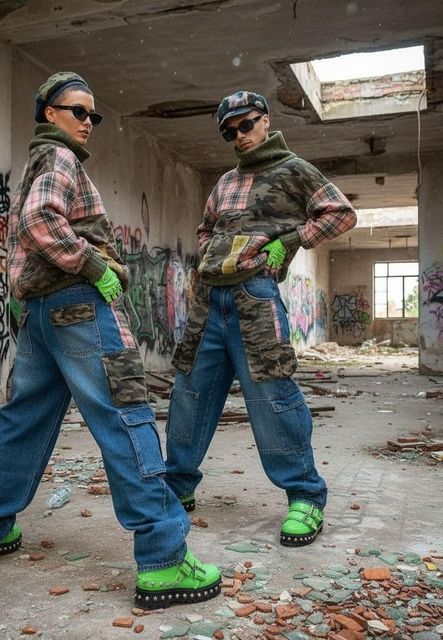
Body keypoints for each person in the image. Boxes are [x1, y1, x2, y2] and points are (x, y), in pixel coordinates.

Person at [0, 72, 221, 609]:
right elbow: (39, 219)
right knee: (125, 416)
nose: (87, 122)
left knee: (23, 419)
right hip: (79, 307)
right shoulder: (60, 159)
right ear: (48, 113)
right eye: (77, 111)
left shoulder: (37, 162)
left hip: (42, 312)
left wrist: (31, 291)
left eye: (93, 115)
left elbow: (25, 231)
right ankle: (164, 558)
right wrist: (93, 263)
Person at [165, 91, 357, 547]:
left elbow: (342, 214)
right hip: (209, 300)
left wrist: (291, 240)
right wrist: (212, 255)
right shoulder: (226, 181)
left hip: (255, 297)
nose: (240, 135)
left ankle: (305, 497)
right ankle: (177, 486)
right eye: (229, 131)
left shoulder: (295, 170)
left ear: (266, 120)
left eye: (246, 124)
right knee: (190, 393)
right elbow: (206, 228)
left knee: (272, 396)